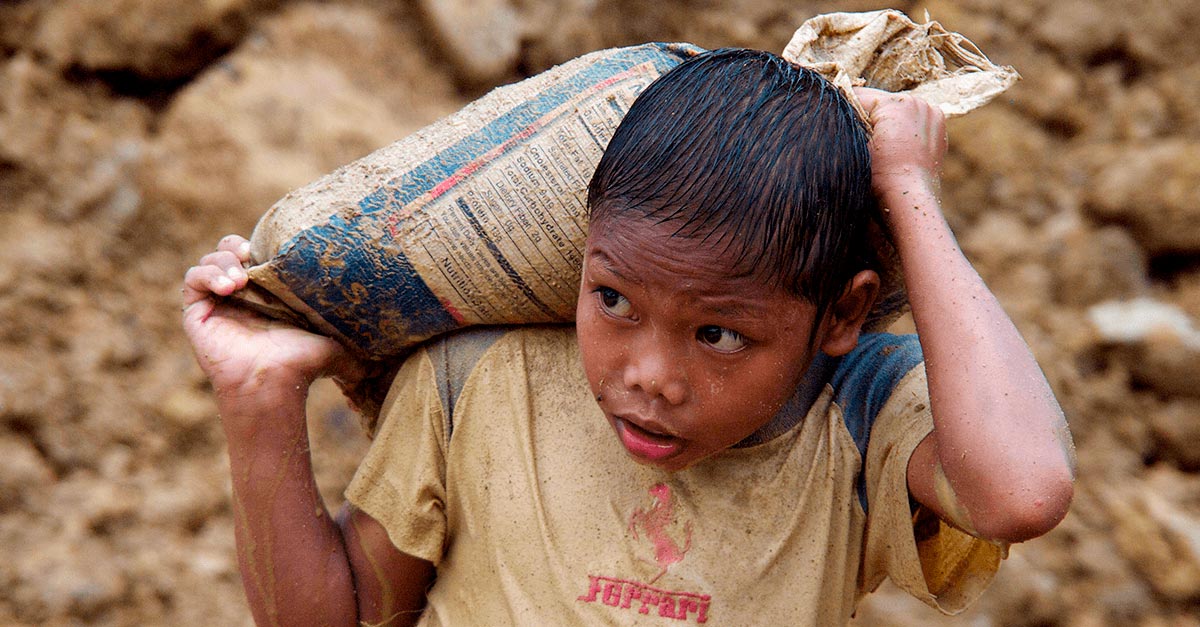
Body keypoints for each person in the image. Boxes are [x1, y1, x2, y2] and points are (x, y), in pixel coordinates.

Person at [182, 48, 1075, 626]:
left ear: (840, 315)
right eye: (612, 299)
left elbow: (1021, 492)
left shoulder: (859, 412)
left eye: (720, 333)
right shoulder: (478, 378)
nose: (650, 375)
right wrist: (256, 394)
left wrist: (910, 190)